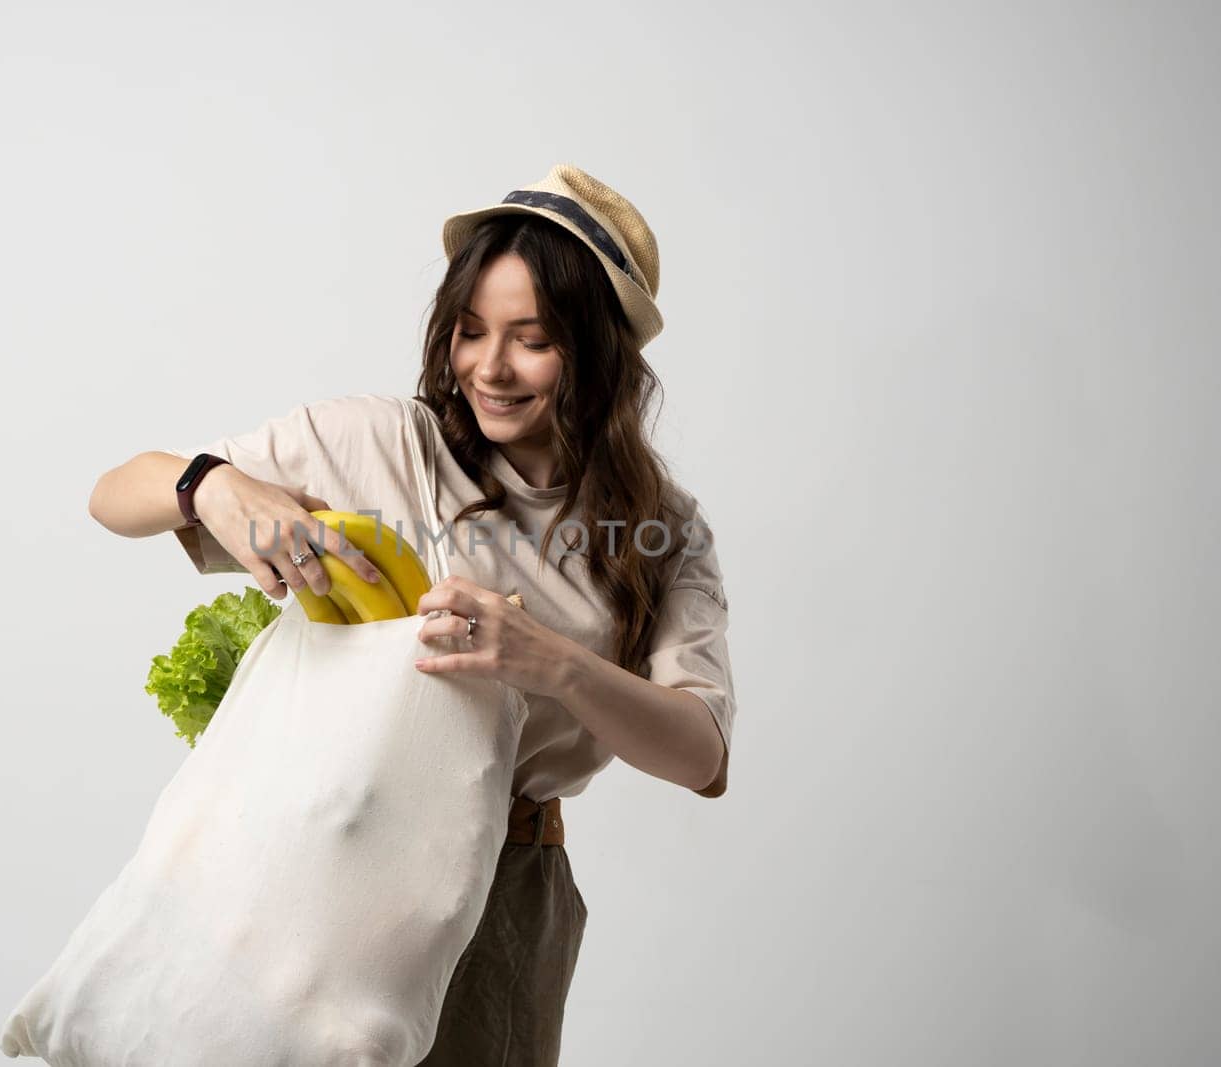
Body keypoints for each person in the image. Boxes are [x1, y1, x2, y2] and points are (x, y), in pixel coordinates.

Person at [87, 163, 736, 1066]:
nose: (488, 367)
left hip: (507, 894)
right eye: (470, 332)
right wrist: (212, 486)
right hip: (319, 861)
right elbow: (114, 496)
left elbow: (701, 751)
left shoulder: (663, 528)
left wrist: (551, 661)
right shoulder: (383, 443)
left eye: (531, 340)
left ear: (600, 350)